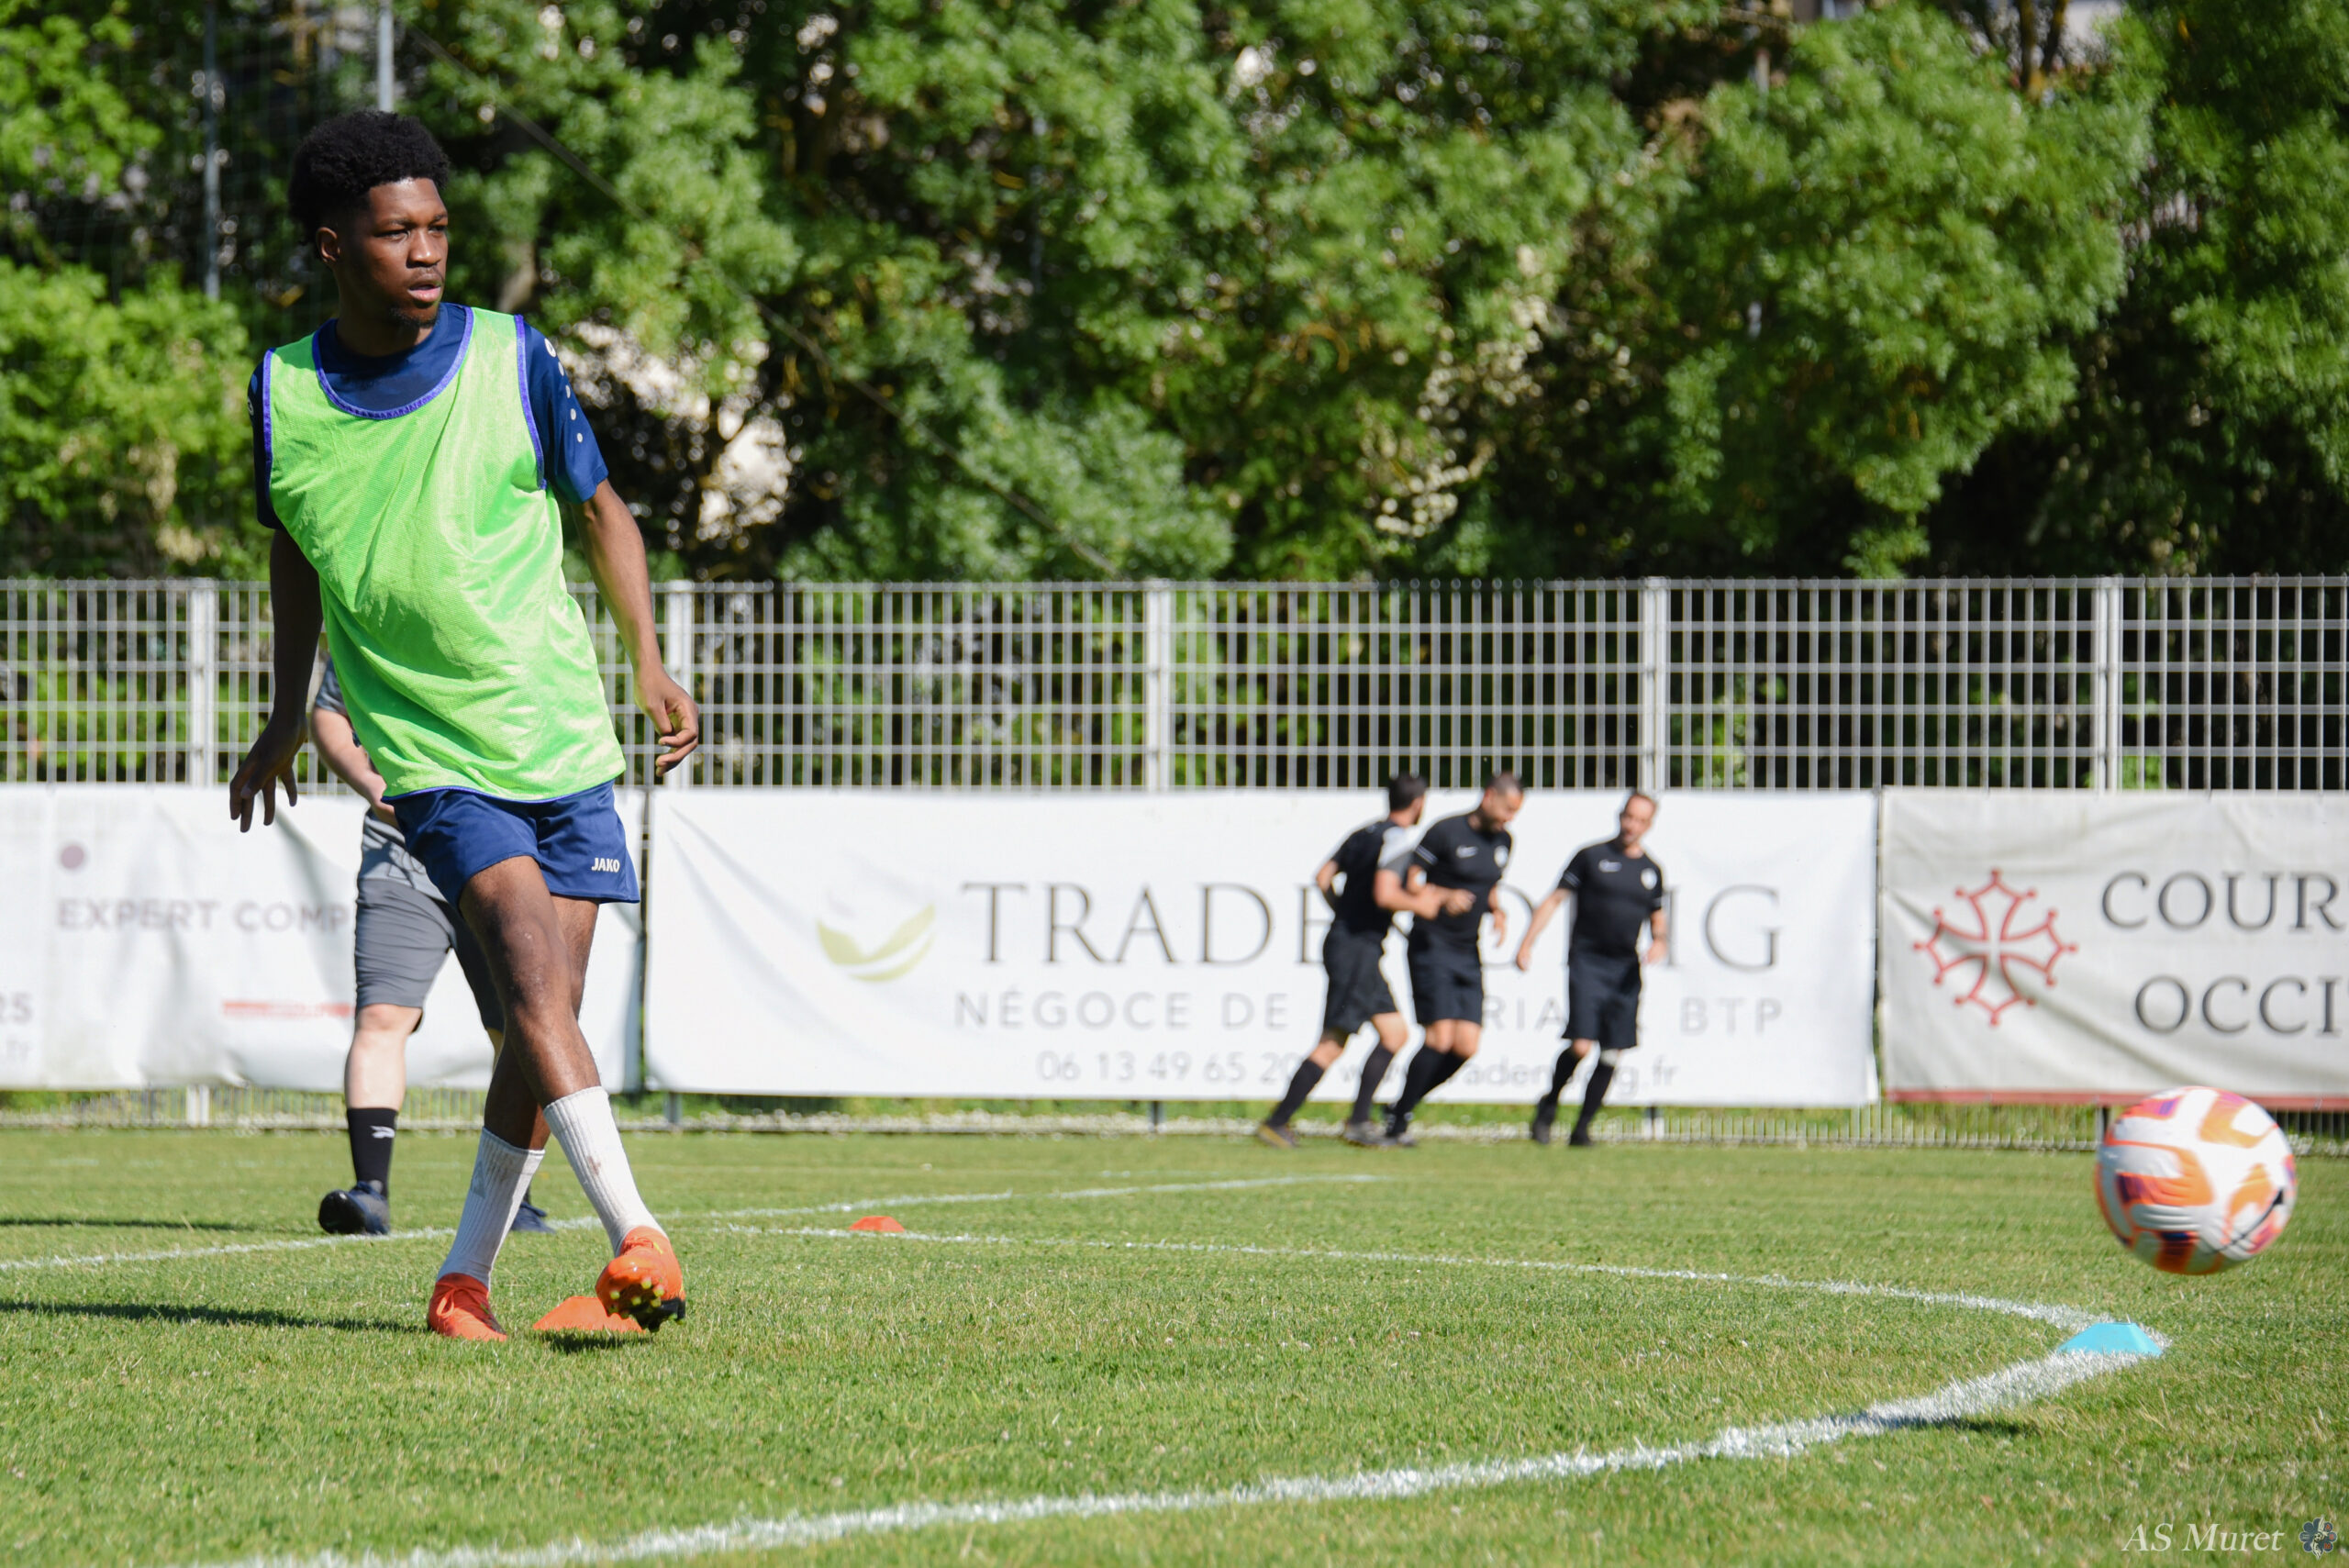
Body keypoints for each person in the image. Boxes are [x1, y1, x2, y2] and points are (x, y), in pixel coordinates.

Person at [229, 110, 698, 1340]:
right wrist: (285, 715)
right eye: (398, 232)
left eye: (438, 226)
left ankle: (462, 1282)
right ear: (334, 246)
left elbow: (602, 510)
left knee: (543, 1030)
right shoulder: (283, 391)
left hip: (560, 730)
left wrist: (649, 663)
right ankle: (638, 1232)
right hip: (430, 750)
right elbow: (293, 552)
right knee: (531, 975)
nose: (427, 250)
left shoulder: (512, 353)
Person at [310, 656, 552, 1239]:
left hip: (499, 861)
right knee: (381, 1016)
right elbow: (329, 713)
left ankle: (513, 1198)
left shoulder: (513, 625)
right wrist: (371, 784)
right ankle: (370, 1195)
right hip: (398, 859)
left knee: (519, 1029)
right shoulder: (373, 624)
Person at [1255, 774, 1462, 1150]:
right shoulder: (1396, 839)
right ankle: (1279, 1122)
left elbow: (1323, 878)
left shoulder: (1364, 833)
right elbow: (1385, 894)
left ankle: (1358, 1121)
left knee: (1395, 1034)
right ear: (1418, 803)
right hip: (1356, 951)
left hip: (1353, 946)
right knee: (1333, 1042)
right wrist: (1422, 906)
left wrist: (1343, 913)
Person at [1515, 791, 1668, 1147]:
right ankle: (1549, 1104)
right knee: (1581, 1045)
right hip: (1588, 962)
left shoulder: (1651, 871)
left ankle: (1582, 1128)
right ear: (1620, 815)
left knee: (1612, 1052)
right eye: (1628, 817)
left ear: (1649, 825)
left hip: (1625, 970)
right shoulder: (1591, 857)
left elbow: (1658, 918)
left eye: (1640, 820)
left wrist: (1659, 941)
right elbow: (1555, 899)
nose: (1631, 825)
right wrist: (1527, 943)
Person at [1381, 773, 1523, 1146]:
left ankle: (1402, 1106)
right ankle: (1398, 1123)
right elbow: (1411, 882)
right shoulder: (1446, 832)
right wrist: (1444, 895)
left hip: (1467, 950)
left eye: (1516, 812)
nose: (1510, 818)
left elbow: (1489, 884)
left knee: (1466, 1046)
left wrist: (1496, 910)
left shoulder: (1504, 841)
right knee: (1439, 1038)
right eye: (1508, 809)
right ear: (1489, 797)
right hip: (1432, 944)